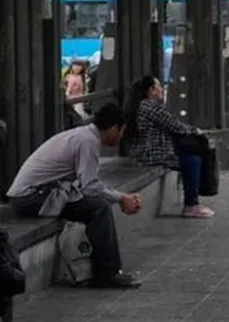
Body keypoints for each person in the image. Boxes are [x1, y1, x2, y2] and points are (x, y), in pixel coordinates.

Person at [6, 103, 141, 289]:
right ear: (112, 128)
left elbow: (87, 183)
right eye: (121, 131)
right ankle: (107, 273)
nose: (121, 137)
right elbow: (90, 187)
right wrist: (121, 198)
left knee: (95, 204)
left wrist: (119, 197)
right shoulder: (88, 142)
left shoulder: (83, 136)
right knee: (98, 208)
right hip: (30, 198)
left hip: (35, 195)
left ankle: (103, 269)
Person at [124, 76, 215, 218]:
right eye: (158, 86)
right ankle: (191, 205)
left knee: (189, 157)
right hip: (152, 154)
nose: (161, 89)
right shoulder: (150, 107)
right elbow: (174, 125)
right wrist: (195, 130)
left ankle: (192, 201)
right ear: (151, 90)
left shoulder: (140, 105)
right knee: (192, 161)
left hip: (145, 151)